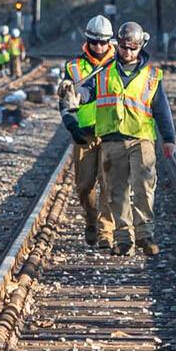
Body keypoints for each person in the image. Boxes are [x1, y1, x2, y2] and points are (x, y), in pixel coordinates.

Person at [88, 21, 176, 255]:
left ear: (141, 46)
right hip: (112, 139)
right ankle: (124, 239)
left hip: (141, 139)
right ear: (118, 45)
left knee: (144, 186)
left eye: (133, 48)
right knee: (116, 190)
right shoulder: (104, 72)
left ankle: (145, 236)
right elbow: (87, 91)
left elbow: (162, 108)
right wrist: (72, 91)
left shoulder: (151, 76)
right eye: (124, 47)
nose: (128, 52)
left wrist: (169, 138)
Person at [56, 14, 118, 246]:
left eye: (103, 42)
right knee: (84, 186)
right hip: (84, 134)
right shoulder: (74, 67)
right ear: (87, 40)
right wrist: (70, 124)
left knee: (109, 184)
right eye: (95, 42)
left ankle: (105, 232)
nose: (99, 47)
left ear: (110, 41)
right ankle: (91, 221)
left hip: (112, 132)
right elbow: (65, 99)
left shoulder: (119, 65)